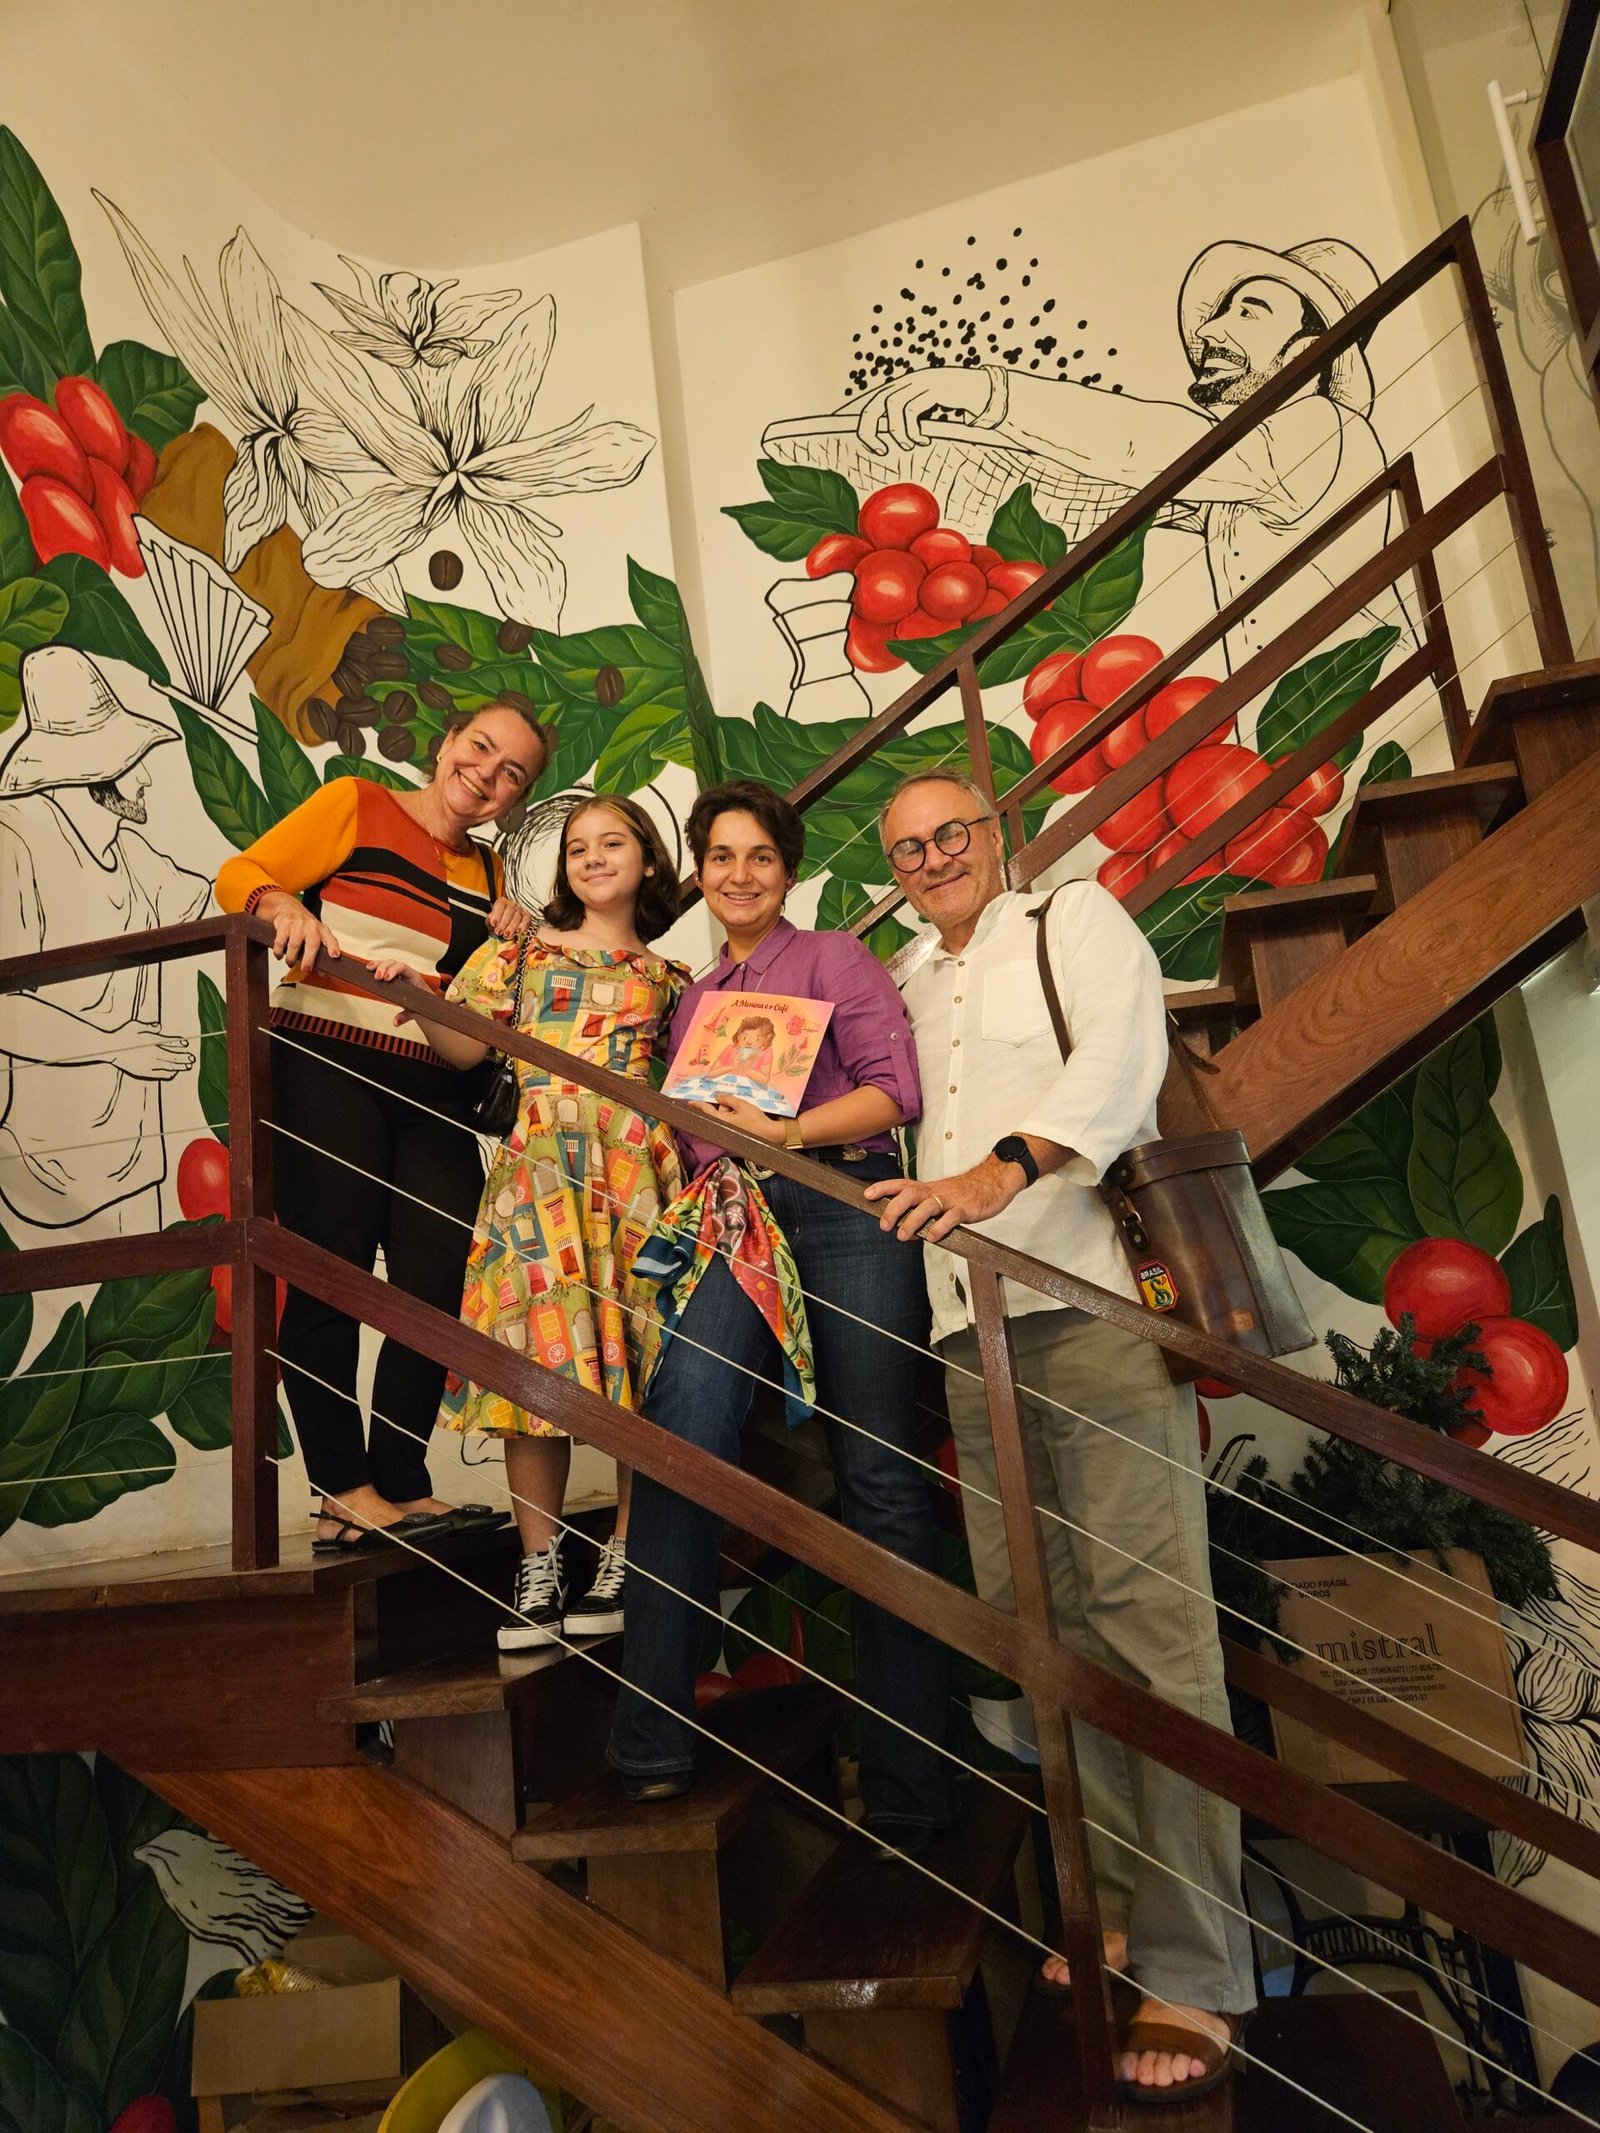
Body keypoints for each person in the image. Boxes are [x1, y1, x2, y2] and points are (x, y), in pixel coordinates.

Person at [866, 770, 1255, 2104]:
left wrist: (999, 1172)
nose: (933, 859)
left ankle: (1200, 1971)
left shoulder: (1070, 918)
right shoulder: (900, 979)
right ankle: (1123, 1907)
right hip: (966, 1330)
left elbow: (1121, 1064)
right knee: (1051, 1631)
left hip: (1091, 1306)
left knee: (1153, 1627)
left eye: (951, 834)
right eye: (908, 849)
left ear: (997, 836)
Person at [608, 777, 955, 1850]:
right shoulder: (694, 998)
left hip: (846, 1205)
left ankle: (908, 1787)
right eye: (721, 856)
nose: (740, 874)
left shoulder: (836, 960)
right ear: (700, 873)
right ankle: (650, 1741)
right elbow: (690, 1134)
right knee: (682, 1430)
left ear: (789, 869)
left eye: (760, 855)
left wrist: (786, 1134)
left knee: (879, 1474)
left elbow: (895, 1093)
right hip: (735, 1218)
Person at [213, 703, 546, 1553]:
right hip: (325, 1057)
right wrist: (279, 902)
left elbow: (473, 991)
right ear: (447, 742)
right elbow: (240, 871)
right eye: (480, 747)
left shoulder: (493, 873)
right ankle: (342, 1490)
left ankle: (399, 1480)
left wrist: (511, 931)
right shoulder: (357, 801)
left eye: (511, 772)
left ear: (516, 797)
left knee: (439, 1275)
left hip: (433, 1082)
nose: (487, 773)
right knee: (332, 1269)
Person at [372, 794, 685, 1648]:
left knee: (640, 1365)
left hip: (634, 1177)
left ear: (647, 860)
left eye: (612, 843)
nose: (593, 857)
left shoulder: (673, 977)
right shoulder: (519, 950)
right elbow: (466, 1049)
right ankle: (538, 1564)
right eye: (578, 847)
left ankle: (628, 1552)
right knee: (530, 1371)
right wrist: (422, 996)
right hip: (538, 1174)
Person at [839, 238, 1395, 669]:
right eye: (1221, 312)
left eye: (1248, 313)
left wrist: (985, 392)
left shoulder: (1323, 430)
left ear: (1309, 350)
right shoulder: (1247, 473)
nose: (1208, 331)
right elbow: (1107, 483)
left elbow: (1142, 443)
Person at [0, 646, 209, 1232]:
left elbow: (219, 898)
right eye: (130, 762)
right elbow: (4, 1007)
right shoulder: (15, 840)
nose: (145, 777)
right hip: (41, 1176)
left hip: (136, 1171)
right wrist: (116, 1046)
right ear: (89, 770)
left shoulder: (133, 855)